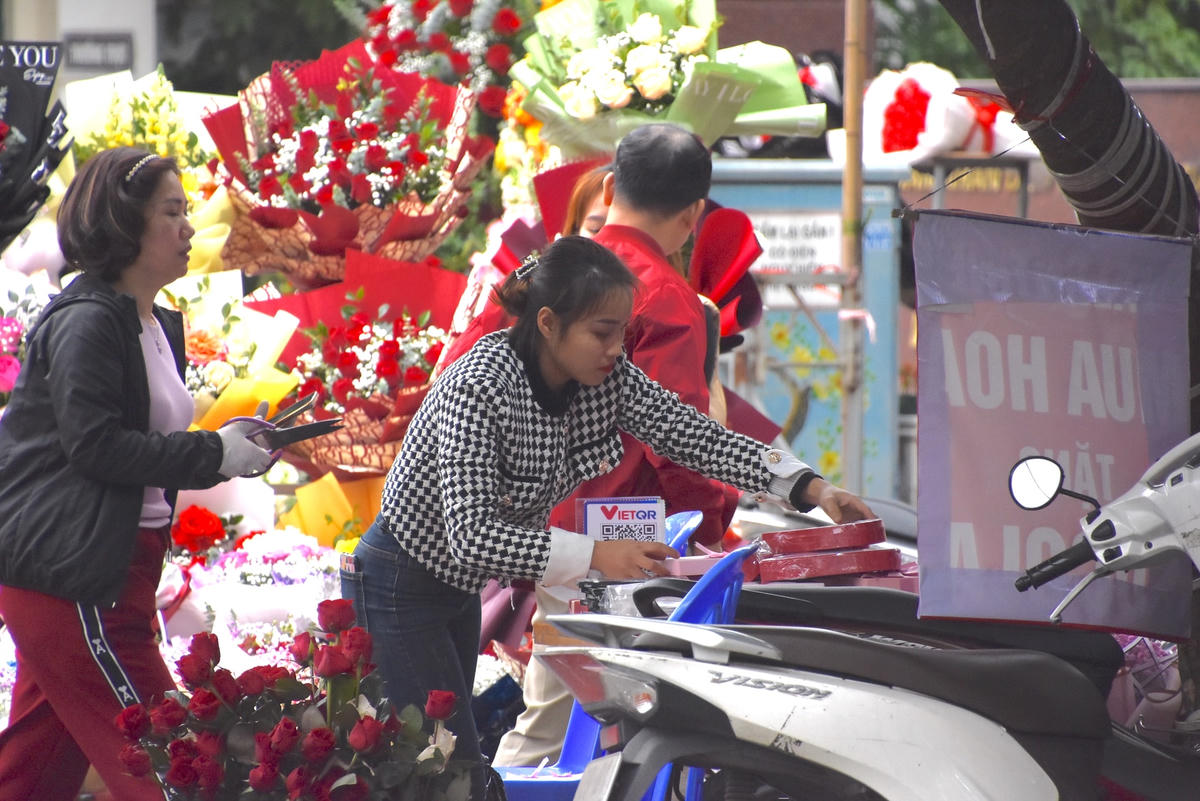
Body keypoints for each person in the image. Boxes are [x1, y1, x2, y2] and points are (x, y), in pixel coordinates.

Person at [341, 235, 873, 793]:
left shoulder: (602, 379)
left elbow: (691, 434)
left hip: (454, 588)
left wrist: (807, 485)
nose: (616, 348)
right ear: (548, 323)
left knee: (452, 769)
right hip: (400, 583)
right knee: (436, 775)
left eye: (622, 331)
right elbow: (472, 537)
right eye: (601, 332)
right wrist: (597, 555)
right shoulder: (480, 385)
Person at [0, 147, 273, 800]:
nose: (189, 228)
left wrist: (237, 444)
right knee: (176, 766)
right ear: (125, 224)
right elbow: (96, 446)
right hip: (77, 578)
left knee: (32, 776)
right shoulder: (88, 321)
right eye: (173, 212)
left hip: (117, 570)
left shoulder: (154, 322)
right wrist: (214, 453)